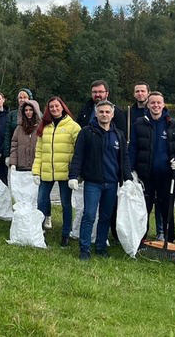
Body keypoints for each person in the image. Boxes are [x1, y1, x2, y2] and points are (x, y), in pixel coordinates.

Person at [69, 100, 132, 259]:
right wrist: (73, 176)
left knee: (105, 216)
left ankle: (101, 246)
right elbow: (78, 156)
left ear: (112, 114)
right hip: (92, 182)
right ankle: (84, 249)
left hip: (111, 183)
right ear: (96, 113)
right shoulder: (86, 132)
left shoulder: (119, 135)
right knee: (89, 215)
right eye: (101, 112)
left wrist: (128, 178)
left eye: (107, 112)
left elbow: (124, 159)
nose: (104, 114)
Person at [128, 92, 175, 243]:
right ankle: (141, 238)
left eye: (158, 103)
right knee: (144, 208)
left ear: (163, 104)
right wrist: (131, 170)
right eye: (152, 103)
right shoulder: (139, 123)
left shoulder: (172, 123)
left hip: (167, 175)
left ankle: (169, 239)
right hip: (145, 175)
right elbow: (133, 148)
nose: (156, 106)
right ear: (148, 105)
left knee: (166, 208)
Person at [32, 97, 81, 247]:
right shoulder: (44, 127)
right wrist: (36, 171)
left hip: (65, 172)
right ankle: (38, 231)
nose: (54, 109)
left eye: (56, 106)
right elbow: (39, 151)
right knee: (41, 201)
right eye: (51, 107)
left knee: (66, 204)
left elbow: (78, 151)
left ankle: (66, 234)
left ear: (62, 107)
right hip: (46, 170)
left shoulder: (73, 126)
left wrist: (75, 173)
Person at [9, 99, 41, 175]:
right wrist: (13, 163)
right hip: (21, 168)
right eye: (26, 110)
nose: (28, 112)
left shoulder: (41, 128)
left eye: (31, 110)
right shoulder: (19, 128)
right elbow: (14, 146)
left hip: (37, 168)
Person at [3, 88, 33, 165]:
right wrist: (7, 155)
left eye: (25, 97)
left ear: (30, 99)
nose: (22, 100)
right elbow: (7, 135)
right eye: (20, 98)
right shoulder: (11, 115)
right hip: (16, 151)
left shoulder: (37, 114)